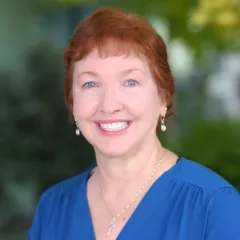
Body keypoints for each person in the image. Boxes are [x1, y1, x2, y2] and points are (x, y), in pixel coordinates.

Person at [28, 6, 240, 240]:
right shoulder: (53, 208)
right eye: (90, 84)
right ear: (72, 100)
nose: (109, 105)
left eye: (130, 82)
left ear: (163, 97)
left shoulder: (214, 207)